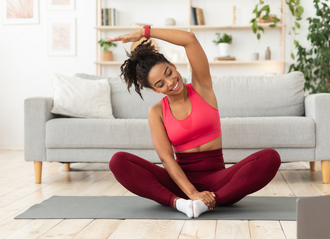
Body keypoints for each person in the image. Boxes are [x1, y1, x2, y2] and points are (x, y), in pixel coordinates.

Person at [106, 27, 281, 218]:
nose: (170, 82)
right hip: (179, 183)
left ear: (173, 65)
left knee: (270, 157)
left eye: (168, 73)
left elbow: (189, 39)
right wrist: (191, 193)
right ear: (156, 90)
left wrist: (144, 32)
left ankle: (204, 204)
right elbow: (166, 159)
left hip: (219, 182)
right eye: (160, 84)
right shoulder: (156, 112)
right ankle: (180, 204)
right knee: (118, 161)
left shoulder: (202, 87)